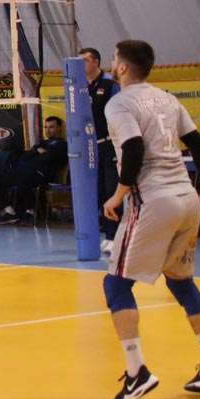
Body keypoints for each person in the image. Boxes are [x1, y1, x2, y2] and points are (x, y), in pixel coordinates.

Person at [99, 39, 200, 399]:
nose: (112, 63)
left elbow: (134, 148)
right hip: (186, 198)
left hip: (154, 200)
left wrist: (119, 194)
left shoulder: (120, 103)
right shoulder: (167, 99)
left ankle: (137, 372)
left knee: (116, 285)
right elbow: (197, 144)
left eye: (114, 59)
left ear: (123, 67)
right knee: (180, 280)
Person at [0, 116, 68, 225]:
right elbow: (25, 156)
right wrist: (38, 151)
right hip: (25, 172)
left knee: (24, 179)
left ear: (59, 128)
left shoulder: (62, 145)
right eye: (46, 127)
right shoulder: (41, 144)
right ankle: (10, 212)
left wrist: (36, 153)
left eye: (51, 127)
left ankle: (30, 212)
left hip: (42, 174)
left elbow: (49, 158)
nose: (48, 130)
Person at [82, 47, 120, 253]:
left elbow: (120, 110)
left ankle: (114, 236)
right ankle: (102, 233)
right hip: (89, 145)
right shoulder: (78, 86)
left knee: (111, 189)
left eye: (85, 61)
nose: (81, 65)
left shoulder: (109, 83)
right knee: (95, 191)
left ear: (96, 62)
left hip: (109, 144)